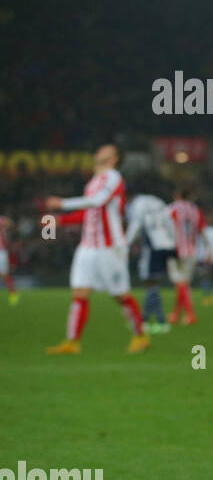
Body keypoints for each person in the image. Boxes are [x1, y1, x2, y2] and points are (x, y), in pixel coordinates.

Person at [43, 144, 149, 354]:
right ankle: (72, 343)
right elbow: (90, 212)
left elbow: (99, 201)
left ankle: (140, 336)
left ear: (115, 158)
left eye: (106, 149)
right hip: (88, 246)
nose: (99, 150)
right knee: (79, 293)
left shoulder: (113, 177)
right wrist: (61, 221)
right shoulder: (94, 181)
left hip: (109, 248)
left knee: (120, 295)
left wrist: (62, 203)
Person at [124, 191, 176, 333]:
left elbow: (135, 224)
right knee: (153, 284)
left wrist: (125, 245)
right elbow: (170, 221)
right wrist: (174, 243)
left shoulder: (135, 205)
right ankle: (147, 320)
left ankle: (157, 321)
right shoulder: (158, 201)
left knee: (150, 283)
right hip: (167, 245)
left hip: (153, 245)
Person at [166, 189, 205, 326]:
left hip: (176, 249)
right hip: (192, 250)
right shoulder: (195, 210)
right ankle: (176, 315)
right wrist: (208, 249)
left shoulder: (172, 208)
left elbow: (167, 228)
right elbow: (202, 230)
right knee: (183, 284)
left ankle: (190, 314)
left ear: (176, 195)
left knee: (180, 283)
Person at [0, 215, 17, 305]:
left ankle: (13, 294)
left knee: (4, 274)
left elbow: (10, 223)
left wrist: (6, 229)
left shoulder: (1, 220)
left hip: (1, 251)